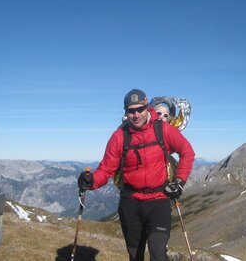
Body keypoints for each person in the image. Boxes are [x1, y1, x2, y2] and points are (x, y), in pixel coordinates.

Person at [78, 89, 195, 261]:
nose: (136, 114)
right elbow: (106, 169)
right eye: (131, 111)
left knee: (158, 253)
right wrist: (91, 181)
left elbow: (187, 152)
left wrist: (179, 181)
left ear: (147, 107)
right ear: (126, 112)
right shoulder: (119, 137)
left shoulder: (163, 130)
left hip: (159, 201)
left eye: (140, 109)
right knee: (135, 255)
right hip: (130, 203)